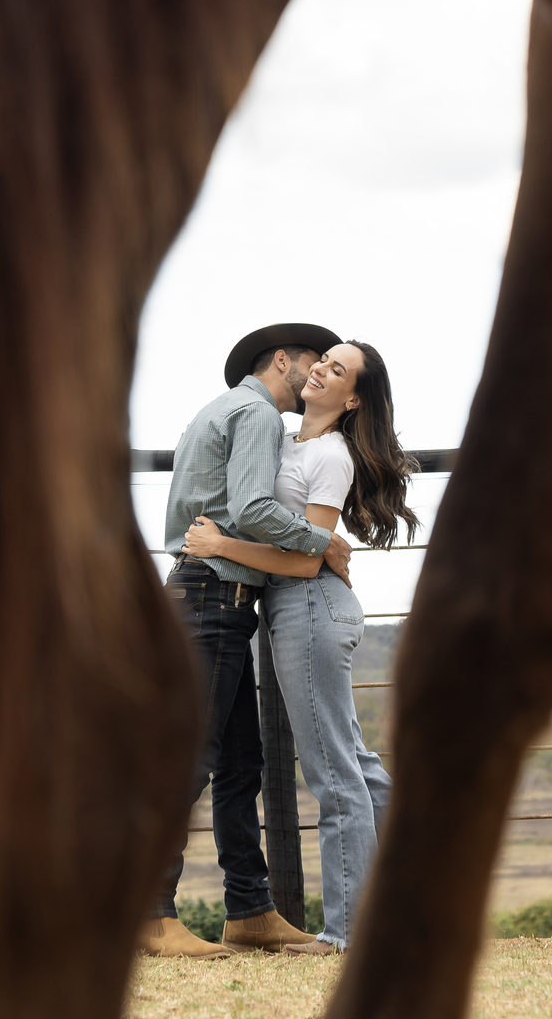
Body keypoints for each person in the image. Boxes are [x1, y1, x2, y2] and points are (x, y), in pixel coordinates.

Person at [184, 339, 418, 954]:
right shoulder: (291, 441)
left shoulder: (332, 456)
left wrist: (223, 547)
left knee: (333, 773)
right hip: (295, 610)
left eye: (337, 369)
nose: (321, 368)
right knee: (358, 766)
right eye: (323, 360)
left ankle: (347, 934)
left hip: (310, 609)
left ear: (354, 398)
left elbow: (304, 559)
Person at [139, 322, 354, 959]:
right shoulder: (255, 415)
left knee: (240, 764)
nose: (316, 374)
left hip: (212, 597)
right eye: (313, 362)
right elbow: (257, 506)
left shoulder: (223, 411)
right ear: (281, 360)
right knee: (195, 758)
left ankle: (251, 911)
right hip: (211, 595)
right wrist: (326, 542)